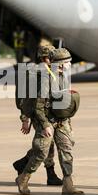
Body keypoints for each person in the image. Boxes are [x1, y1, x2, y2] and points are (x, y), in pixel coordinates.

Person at [15, 48, 84, 195]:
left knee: (66, 150)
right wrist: (45, 125)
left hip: (62, 121)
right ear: (59, 64)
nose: (70, 64)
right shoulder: (46, 79)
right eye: (67, 62)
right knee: (41, 152)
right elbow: (38, 107)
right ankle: (23, 178)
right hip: (46, 120)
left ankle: (68, 185)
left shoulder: (64, 76)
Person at [13, 45, 63, 186]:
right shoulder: (34, 73)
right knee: (46, 144)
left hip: (48, 114)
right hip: (37, 114)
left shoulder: (50, 72)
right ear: (45, 58)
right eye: (52, 58)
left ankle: (22, 163)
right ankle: (49, 173)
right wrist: (25, 119)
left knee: (46, 144)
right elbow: (24, 98)